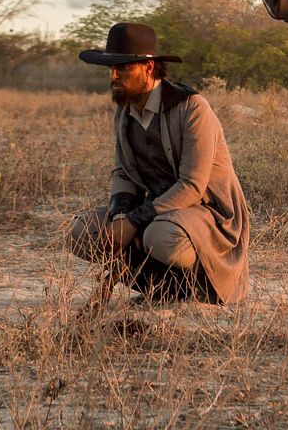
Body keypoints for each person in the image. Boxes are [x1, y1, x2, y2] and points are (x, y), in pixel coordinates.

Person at [67, 22, 249, 306]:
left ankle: (196, 291)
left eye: (123, 68)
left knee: (161, 237)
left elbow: (191, 186)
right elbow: (122, 173)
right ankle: (160, 289)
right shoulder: (124, 111)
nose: (114, 76)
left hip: (207, 214)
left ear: (148, 68)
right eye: (111, 69)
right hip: (153, 211)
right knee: (80, 233)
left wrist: (135, 223)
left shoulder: (192, 107)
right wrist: (119, 218)